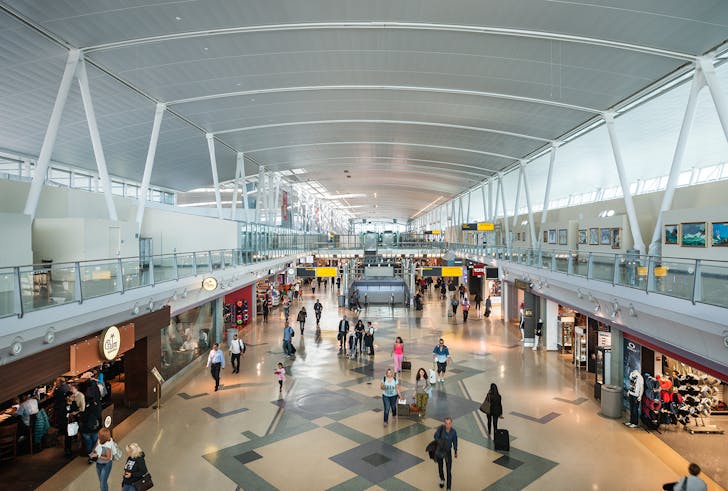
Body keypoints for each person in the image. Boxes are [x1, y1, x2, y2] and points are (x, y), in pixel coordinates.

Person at [434, 417, 458, 490]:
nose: (448, 425)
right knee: (440, 467)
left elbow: (455, 441)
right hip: (440, 451)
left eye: (449, 423)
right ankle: (442, 479)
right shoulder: (440, 429)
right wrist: (440, 441)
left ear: (451, 423)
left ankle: (448, 487)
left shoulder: (453, 432)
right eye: (446, 423)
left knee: (448, 470)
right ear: (444, 423)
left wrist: (455, 451)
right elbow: (435, 436)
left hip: (448, 452)